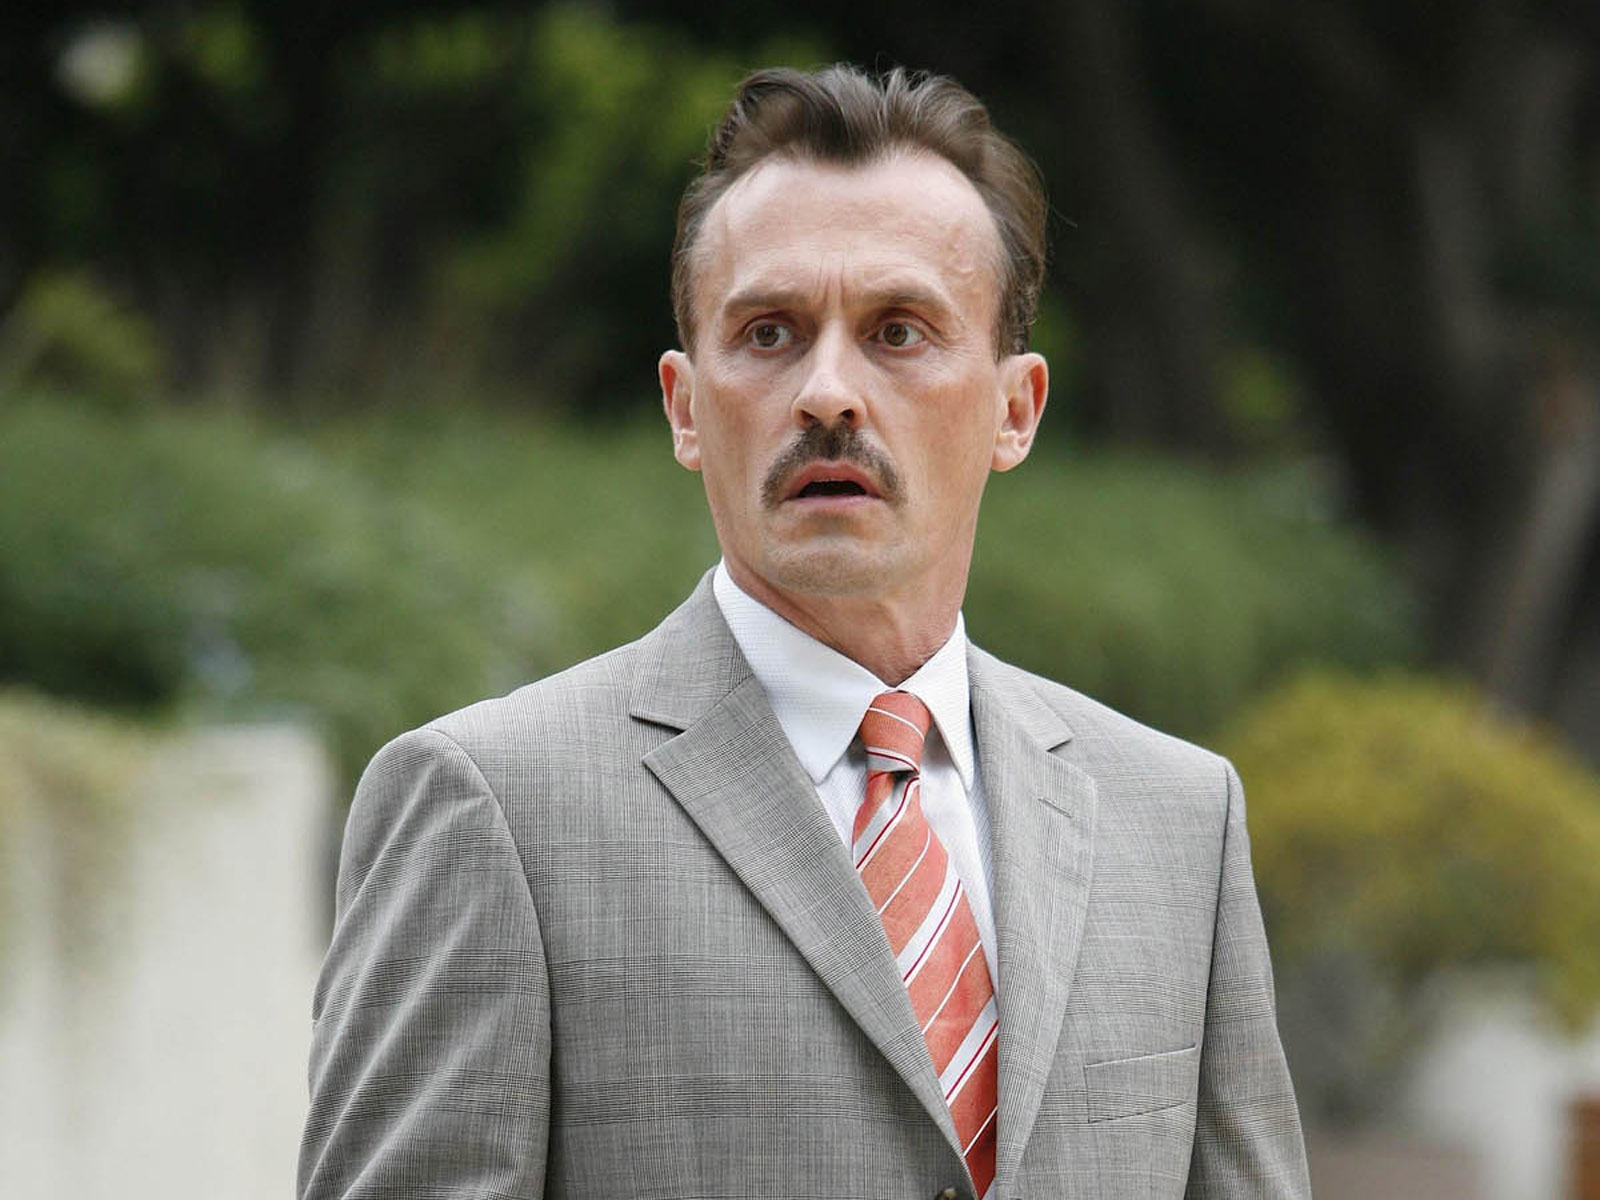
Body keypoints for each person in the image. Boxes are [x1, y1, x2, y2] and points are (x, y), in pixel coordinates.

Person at [298, 64, 1311, 1200]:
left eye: (898, 331)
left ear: (1015, 410)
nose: (829, 392)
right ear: (686, 406)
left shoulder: (1177, 823)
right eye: (770, 332)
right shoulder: (491, 809)